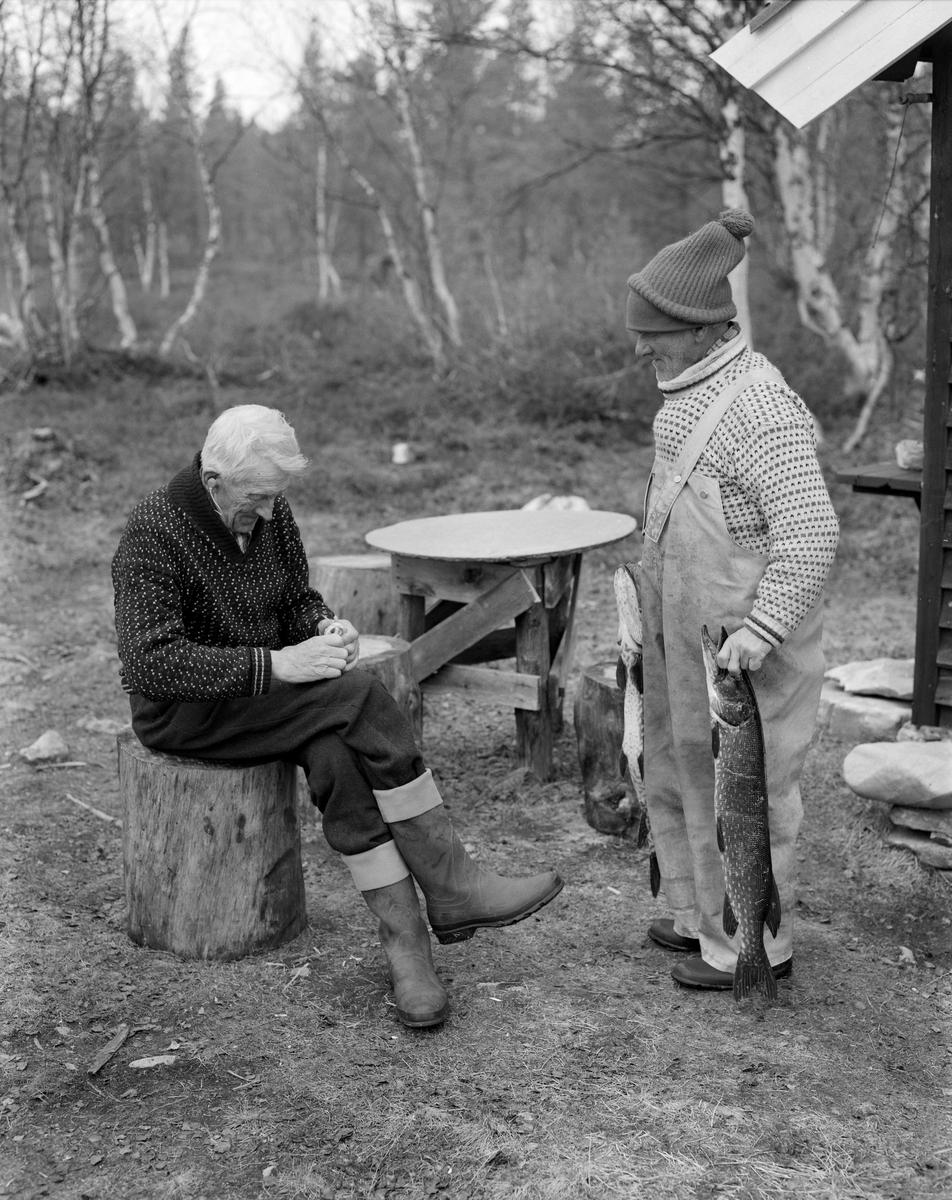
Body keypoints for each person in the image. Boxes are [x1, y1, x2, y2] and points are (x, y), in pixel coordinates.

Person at [111, 404, 563, 1028]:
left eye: (278, 496)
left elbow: (294, 597)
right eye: (259, 497)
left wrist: (320, 627)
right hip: (187, 712)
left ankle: (406, 941)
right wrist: (277, 667)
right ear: (213, 480)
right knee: (357, 696)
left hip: (263, 699)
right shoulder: (154, 529)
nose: (271, 511)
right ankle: (452, 884)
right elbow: (148, 663)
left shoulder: (271, 512)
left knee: (334, 754)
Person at [625, 209, 838, 990]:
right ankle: (701, 920)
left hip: (749, 655)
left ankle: (759, 948)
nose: (641, 347)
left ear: (705, 327)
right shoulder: (685, 395)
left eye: (654, 333)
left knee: (753, 796)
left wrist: (764, 627)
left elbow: (812, 533)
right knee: (681, 772)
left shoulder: (760, 407)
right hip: (690, 637)